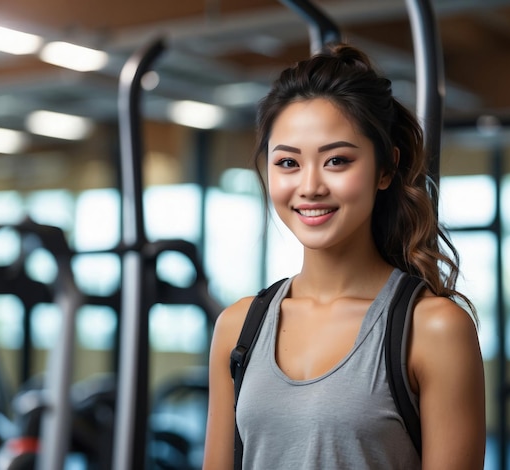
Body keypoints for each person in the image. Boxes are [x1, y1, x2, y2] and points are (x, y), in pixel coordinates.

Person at [203, 43, 486, 470]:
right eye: (288, 163)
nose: (310, 186)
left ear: (386, 169)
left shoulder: (434, 329)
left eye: (336, 160)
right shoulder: (238, 326)